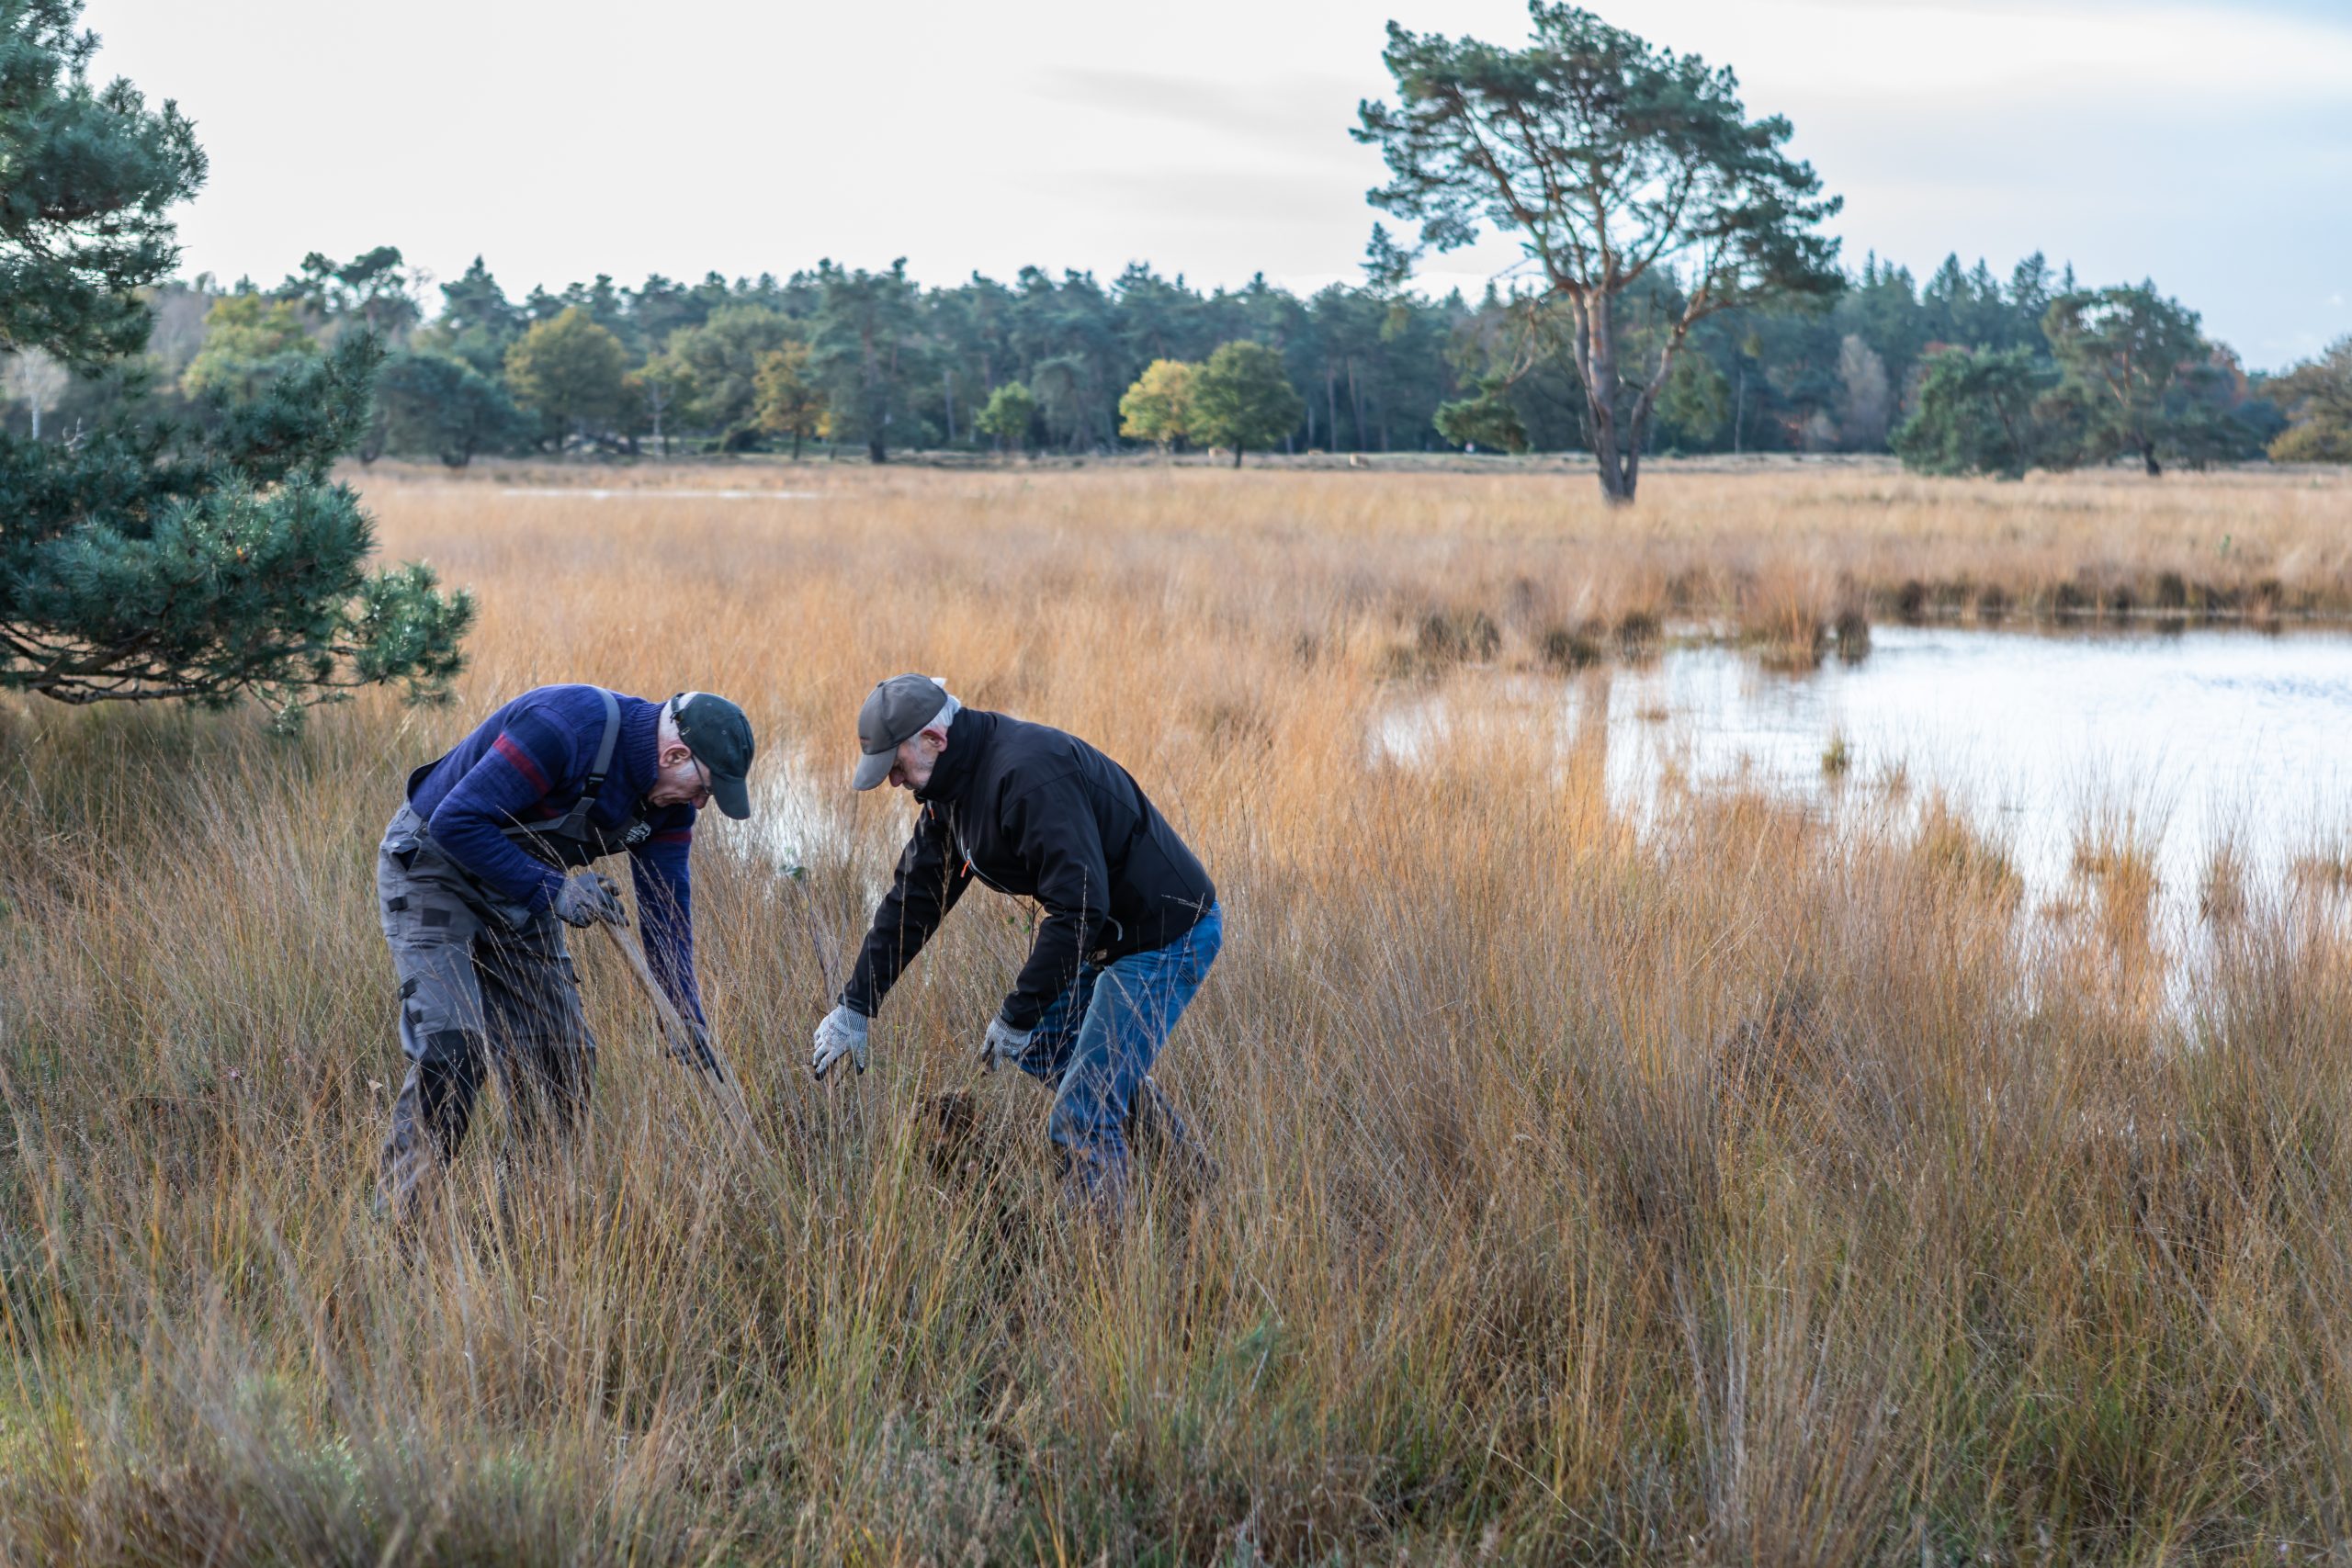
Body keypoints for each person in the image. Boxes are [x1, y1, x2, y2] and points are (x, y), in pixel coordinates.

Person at [810, 675, 1220, 1213]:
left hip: (1166, 935)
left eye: (895, 764)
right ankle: (1193, 1185)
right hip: (1107, 936)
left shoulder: (1025, 776)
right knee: (1047, 1046)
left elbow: (1079, 906)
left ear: (933, 739)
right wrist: (856, 1005)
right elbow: (915, 900)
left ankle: (1104, 1260)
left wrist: (1015, 1014)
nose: (892, 781)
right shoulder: (948, 793)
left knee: (1081, 1114)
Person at [374, 683, 754, 1221]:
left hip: (519, 900)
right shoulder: (566, 728)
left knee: (563, 1058)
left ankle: (524, 1225)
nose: (699, 804)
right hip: (433, 876)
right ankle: (399, 1227)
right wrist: (556, 892)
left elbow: (666, 911)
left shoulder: (668, 811)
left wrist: (684, 1012)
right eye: (704, 789)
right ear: (674, 755)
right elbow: (456, 821)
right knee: (453, 1051)